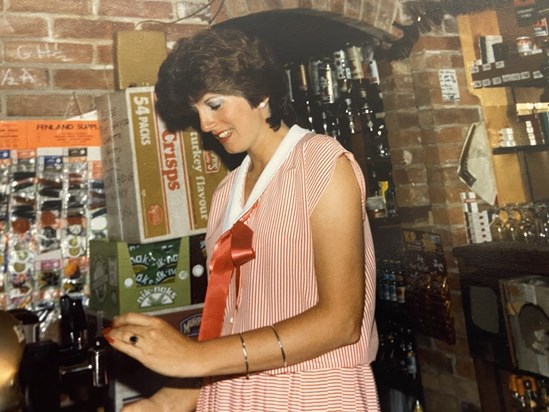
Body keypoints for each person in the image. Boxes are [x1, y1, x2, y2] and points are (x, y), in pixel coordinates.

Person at [104, 27, 379, 411]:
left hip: (311, 392)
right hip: (231, 393)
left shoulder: (321, 163)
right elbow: (228, 321)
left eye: (214, 104)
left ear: (260, 93)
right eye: (196, 110)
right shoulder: (225, 194)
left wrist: (194, 357)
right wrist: (165, 403)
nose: (204, 124)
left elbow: (341, 322)